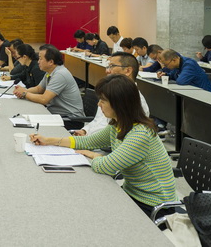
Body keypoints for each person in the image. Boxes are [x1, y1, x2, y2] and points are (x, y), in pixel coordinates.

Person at [30, 74, 176, 218]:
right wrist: (48, 140)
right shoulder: (118, 124)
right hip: (132, 194)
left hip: (153, 204)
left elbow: (105, 166)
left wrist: (94, 155)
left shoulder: (140, 134)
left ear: (119, 104)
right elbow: (87, 141)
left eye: (103, 101)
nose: (99, 104)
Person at [73, 52, 149, 136]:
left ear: (128, 71)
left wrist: (87, 138)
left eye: (112, 66)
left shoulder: (136, 102)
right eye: (108, 66)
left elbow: (115, 136)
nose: (107, 71)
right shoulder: (110, 93)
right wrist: (85, 131)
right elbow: (97, 121)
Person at [13, 44, 84, 119]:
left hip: (70, 118)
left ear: (51, 62)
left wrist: (25, 93)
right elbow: (39, 89)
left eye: (40, 59)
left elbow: (44, 99)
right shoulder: (50, 72)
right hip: (57, 114)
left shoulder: (60, 74)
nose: (38, 62)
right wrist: (24, 91)